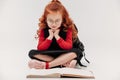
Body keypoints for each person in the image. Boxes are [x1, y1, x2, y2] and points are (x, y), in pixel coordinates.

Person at [28, 0, 82, 69]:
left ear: (62, 19)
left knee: (76, 52)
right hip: (50, 53)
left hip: (64, 52)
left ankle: (47, 65)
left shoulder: (68, 29)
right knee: (32, 53)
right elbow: (40, 48)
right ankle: (62, 62)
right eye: (50, 21)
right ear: (46, 19)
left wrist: (57, 36)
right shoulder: (43, 29)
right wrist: (50, 37)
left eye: (57, 21)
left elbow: (68, 46)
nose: (54, 24)